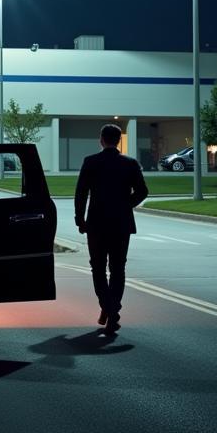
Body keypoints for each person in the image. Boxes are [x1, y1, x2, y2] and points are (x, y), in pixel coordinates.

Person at [74, 123, 148, 333]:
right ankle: (111, 307)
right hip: (121, 224)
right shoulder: (130, 163)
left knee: (97, 268)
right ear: (118, 140)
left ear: (101, 139)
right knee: (118, 269)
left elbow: (81, 193)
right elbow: (143, 191)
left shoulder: (91, 162)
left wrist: (80, 219)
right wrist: (126, 205)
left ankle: (109, 308)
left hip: (97, 224)